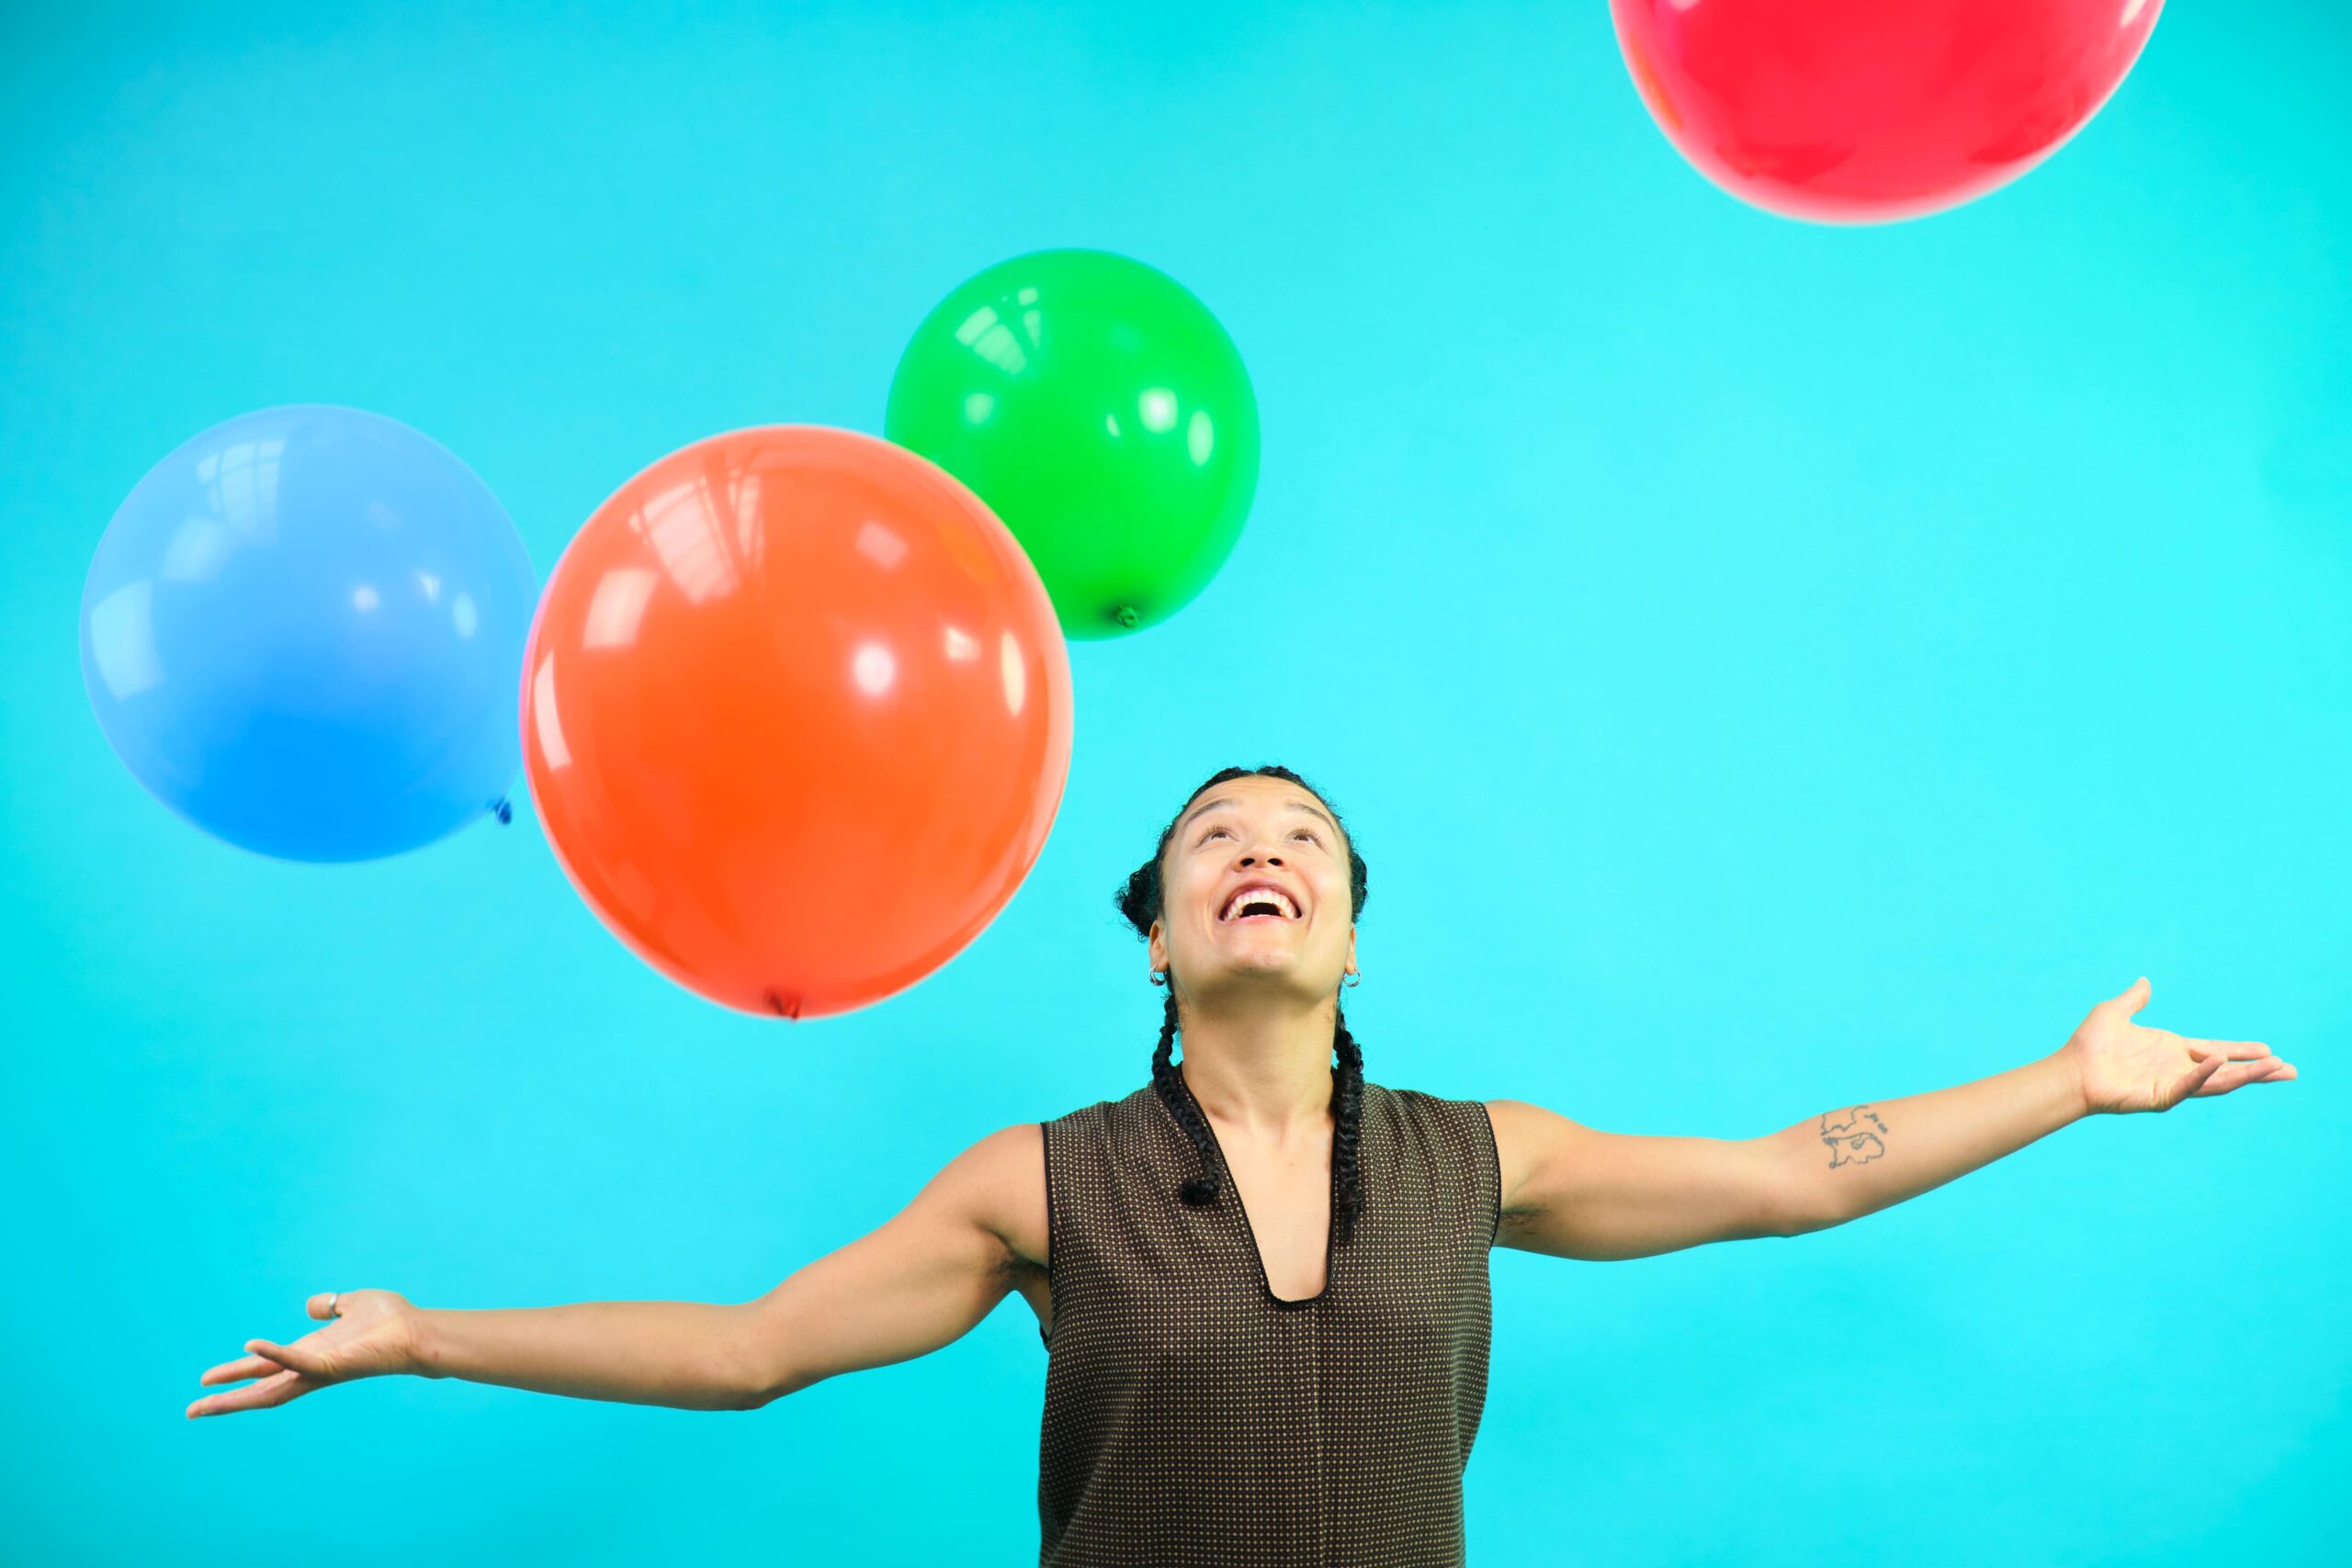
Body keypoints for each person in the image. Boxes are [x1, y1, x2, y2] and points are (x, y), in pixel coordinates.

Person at [187, 764, 2297, 1566]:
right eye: (1215, 837)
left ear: (1349, 932)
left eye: (1300, 839)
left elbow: (1794, 1172)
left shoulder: (1477, 1154)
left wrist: (2063, 1081)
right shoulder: (1037, 1178)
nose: (1258, 850)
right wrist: (424, 1333)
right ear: (1157, 933)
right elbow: (749, 1349)